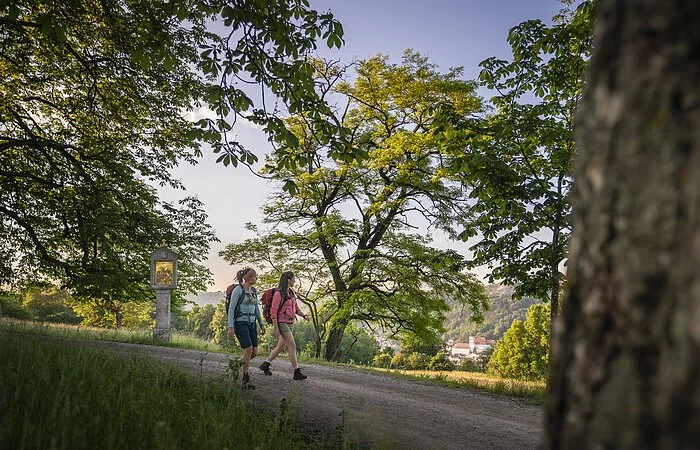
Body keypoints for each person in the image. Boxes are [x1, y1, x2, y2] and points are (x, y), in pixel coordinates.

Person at [259, 271, 309, 380]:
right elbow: (273, 311)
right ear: (288, 280)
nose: (294, 281)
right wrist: (276, 328)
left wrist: (304, 315)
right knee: (292, 346)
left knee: (280, 347)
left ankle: (265, 364)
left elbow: (296, 309)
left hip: (290, 323)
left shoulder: (291, 293)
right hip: (282, 323)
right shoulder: (279, 294)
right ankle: (296, 371)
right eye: (293, 279)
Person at [227, 267, 265, 389]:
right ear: (248, 278)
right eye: (255, 276)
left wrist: (261, 323)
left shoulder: (254, 290)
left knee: (254, 352)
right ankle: (245, 378)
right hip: (240, 323)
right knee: (248, 350)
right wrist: (230, 326)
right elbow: (232, 308)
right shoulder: (238, 290)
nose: (256, 278)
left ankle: (235, 365)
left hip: (252, 323)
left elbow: (256, 309)